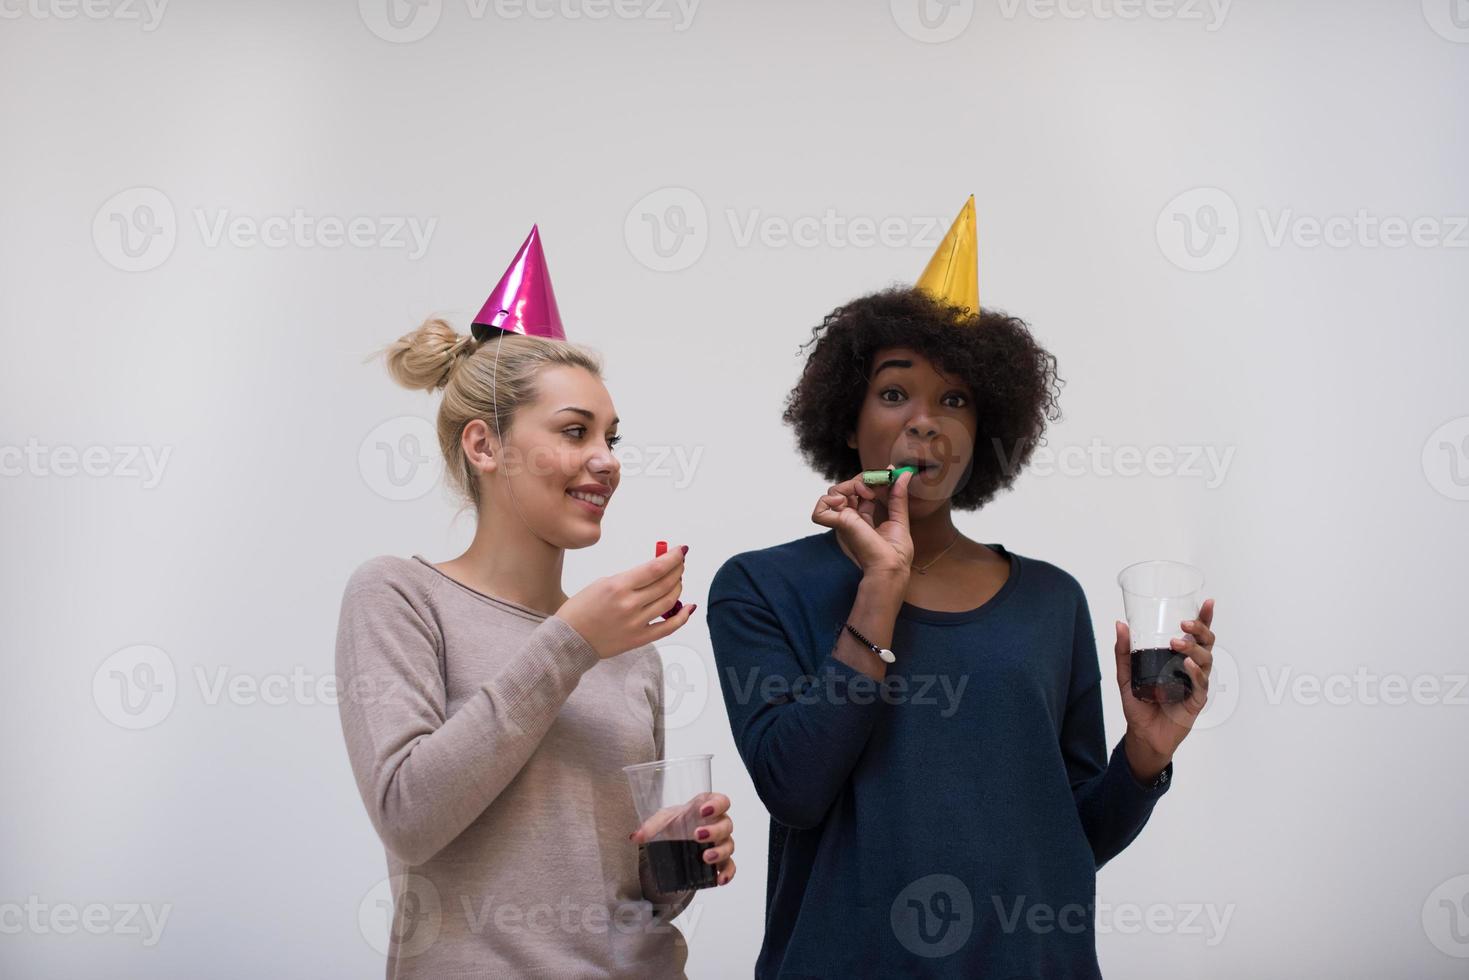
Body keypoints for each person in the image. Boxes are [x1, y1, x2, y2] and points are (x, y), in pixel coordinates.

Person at [707, 198, 1217, 977]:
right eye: (894, 394)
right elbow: (795, 790)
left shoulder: (1050, 601)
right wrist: (881, 581)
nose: (925, 424)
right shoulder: (760, 585)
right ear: (847, 421)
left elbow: (1068, 844)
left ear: (983, 433)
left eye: (954, 401)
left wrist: (1143, 759)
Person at [336, 226, 737, 979]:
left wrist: (678, 855)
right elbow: (408, 816)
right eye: (574, 432)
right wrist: (570, 641)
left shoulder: (627, 646)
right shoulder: (400, 596)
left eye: (612, 437)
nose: (607, 461)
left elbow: (629, 896)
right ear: (484, 447)